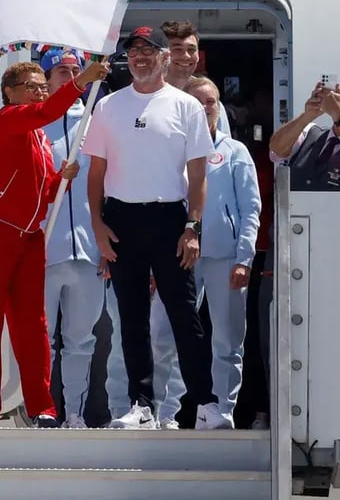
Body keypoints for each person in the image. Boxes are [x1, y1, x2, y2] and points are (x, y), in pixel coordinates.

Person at [81, 25, 229, 430]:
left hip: (170, 221)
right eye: (134, 52)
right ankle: (140, 404)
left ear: (165, 58)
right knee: (131, 319)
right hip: (121, 221)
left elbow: (199, 173)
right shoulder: (108, 106)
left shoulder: (186, 106)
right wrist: (97, 224)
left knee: (185, 318)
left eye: (149, 51)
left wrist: (192, 226)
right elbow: (96, 171)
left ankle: (204, 404)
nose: (140, 58)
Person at [0, 57, 110, 428]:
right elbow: (45, 111)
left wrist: (62, 178)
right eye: (32, 86)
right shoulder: (9, 119)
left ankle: (42, 406)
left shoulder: (38, 136)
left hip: (27, 236)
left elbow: (41, 189)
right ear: (10, 94)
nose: (40, 92)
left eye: (43, 86)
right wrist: (82, 82)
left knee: (33, 325)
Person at [254, 77, 340, 426]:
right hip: (286, 254)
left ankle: (321, 417)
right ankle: (274, 410)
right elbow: (276, 149)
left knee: (324, 339)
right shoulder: (308, 138)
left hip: (332, 263)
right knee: (275, 335)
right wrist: (308, 114)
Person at [149, 76, 261, 429]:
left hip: (224, 257)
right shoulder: (169, 150)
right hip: (179, 257)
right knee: (166, 335)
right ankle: (164, 414)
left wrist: (244, 257)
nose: (204, 108)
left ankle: (220, 413)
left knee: (227, 340)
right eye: (196, 102)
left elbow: (250, 209)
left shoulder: (235, 152)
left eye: (210, 102)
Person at [38, 48, 129, 428]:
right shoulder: (34, 125)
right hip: (42, 250)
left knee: (81, 340)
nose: (70, 76)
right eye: (61, 71)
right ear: (47, 79)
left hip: (88, 250)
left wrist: (107, 242)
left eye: (76, 70)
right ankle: (41, 409)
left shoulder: (96, 124)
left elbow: (113, 187)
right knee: (41, 339)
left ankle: (73, 412)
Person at [160, 20, 231, 135]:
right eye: (177, 49)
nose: (186, 56)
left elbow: (223, 149)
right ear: (163, 54)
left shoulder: (210, 102)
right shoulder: (147, 95)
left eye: (192, 49)